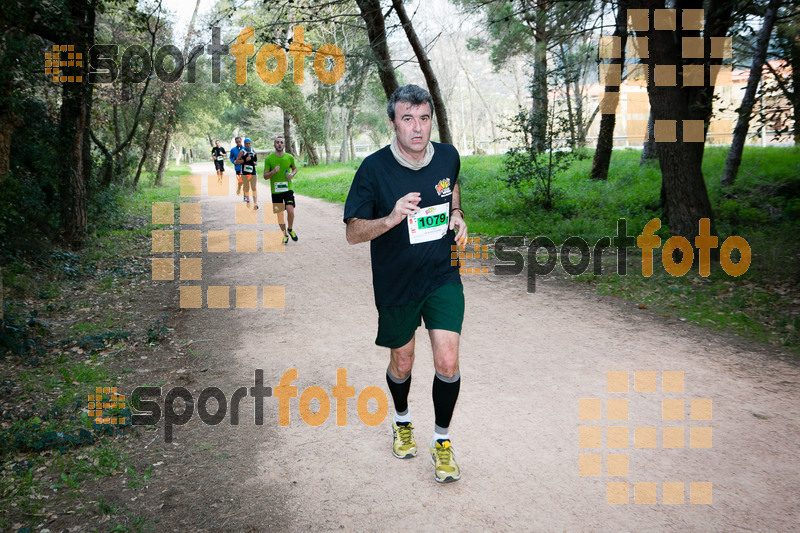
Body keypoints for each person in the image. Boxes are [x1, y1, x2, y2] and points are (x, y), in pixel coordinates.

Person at [343, 84, 467, 483]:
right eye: (407, 119)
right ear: (393, 123)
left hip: (442, 274)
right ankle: (401, 420)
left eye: (424, 119)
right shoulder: (374, 169)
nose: (417, 128)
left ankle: (443, 442)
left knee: (447, 361)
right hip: (396, 282)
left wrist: (458, 213)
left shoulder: (447, 156)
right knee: (404, 361)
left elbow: (452, 185)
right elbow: (353, 232)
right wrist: (392, 218)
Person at [264, 137, 298, 245]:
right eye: (277, 142)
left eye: (281, 143)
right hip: (276, 191)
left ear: (284, 145)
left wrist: (292, 175)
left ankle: (290, 229)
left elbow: (295, 168)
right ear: (274, 145)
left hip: (287, 189)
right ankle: (284, 235)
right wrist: (273, 171)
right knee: (280, 215)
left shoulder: (289, 157)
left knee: (290, 210)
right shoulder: (269, 159)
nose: (279, 144)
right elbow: (265, 176)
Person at [234, 138, 258, 209]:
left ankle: (255, 203)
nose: (248, 145)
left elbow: (256, 162)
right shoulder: (242, 152)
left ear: (250, 144)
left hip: (252, 172)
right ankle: (248, 200)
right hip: (244, 172)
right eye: (246, 143)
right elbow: (236, 161)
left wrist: (254, 163)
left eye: (249, 143)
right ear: (244, 144)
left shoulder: (253, 151)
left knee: (254, 187)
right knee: (247, 188)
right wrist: (244, 160)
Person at [229, 136, 245, 201]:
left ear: (241, 141)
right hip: (237, 168)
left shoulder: (245, 148)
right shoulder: (233, 150)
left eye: (239, 141)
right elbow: (231, 157)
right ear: (235, 142)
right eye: (237, 142)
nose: (238, 143)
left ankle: (245, 196)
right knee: (240, 180)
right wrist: (234, 161)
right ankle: (239, 186)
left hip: (244, 168)